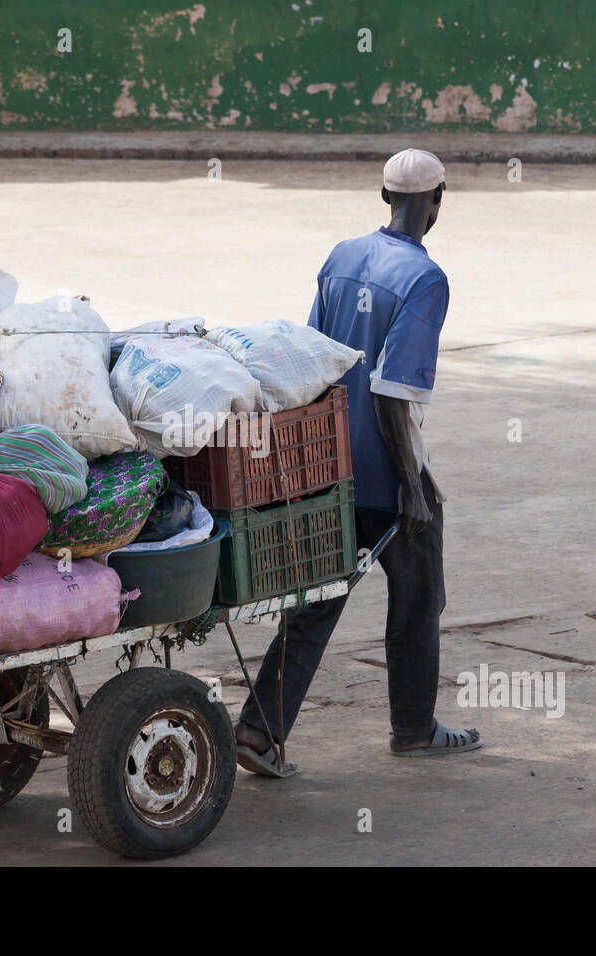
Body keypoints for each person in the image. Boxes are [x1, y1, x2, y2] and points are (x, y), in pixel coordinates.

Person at [233, 148, 482, 776]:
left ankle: (259, 733)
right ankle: (414, 729)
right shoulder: (427, 280)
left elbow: (308, 364)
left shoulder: (341, 257)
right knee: (419, 597)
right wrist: (413, 489)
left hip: (330, 459)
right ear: (438, 201)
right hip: (386, 469)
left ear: (383, 196)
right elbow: (394, 391)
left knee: (317, 601)